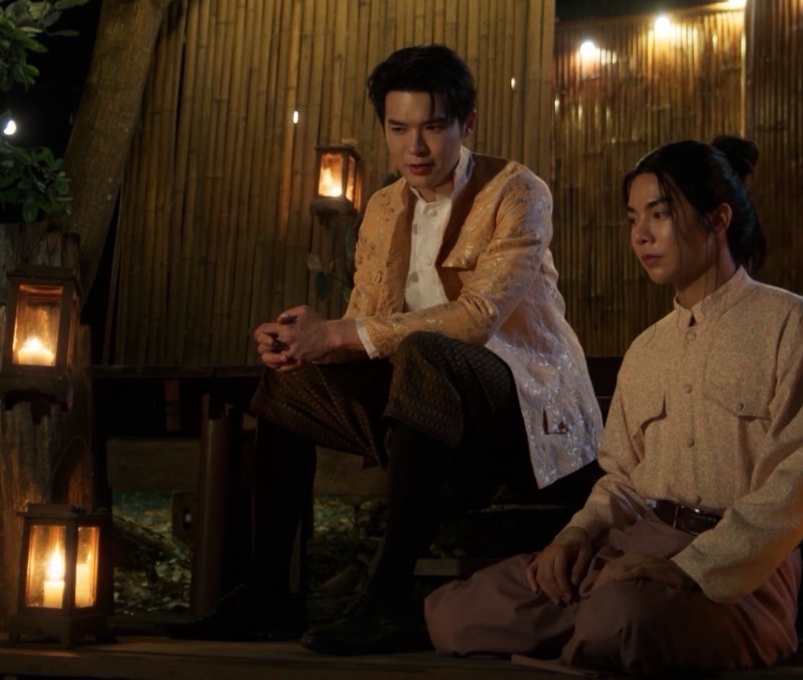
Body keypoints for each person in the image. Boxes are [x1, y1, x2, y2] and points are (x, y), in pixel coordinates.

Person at [165, 44, 603, 655]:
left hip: (523, 405)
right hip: (425, 401)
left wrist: (339, 334)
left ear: (468, 123)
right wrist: (307, 339)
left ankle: (390, 596)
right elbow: (362, 324)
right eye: (398, 129)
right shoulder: (383, 206)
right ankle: (269, 593)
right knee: (292, 379)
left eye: (433, 127)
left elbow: (477, 318)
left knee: (426, 351)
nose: (415, 148)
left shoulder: (517, 190)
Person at [423, 136, 803, 675]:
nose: (640, 234)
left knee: (621, 619)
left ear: (718, 219)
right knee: (456, 616)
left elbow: (797, 480)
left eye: (660, 214)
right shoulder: (647, 350)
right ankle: (590, 623)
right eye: (632, 218)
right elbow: (622, 479)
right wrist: (577, 535)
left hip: (743, 571)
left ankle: (597, 627)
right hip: (635, 546)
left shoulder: (792, 325)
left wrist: (690, 568)